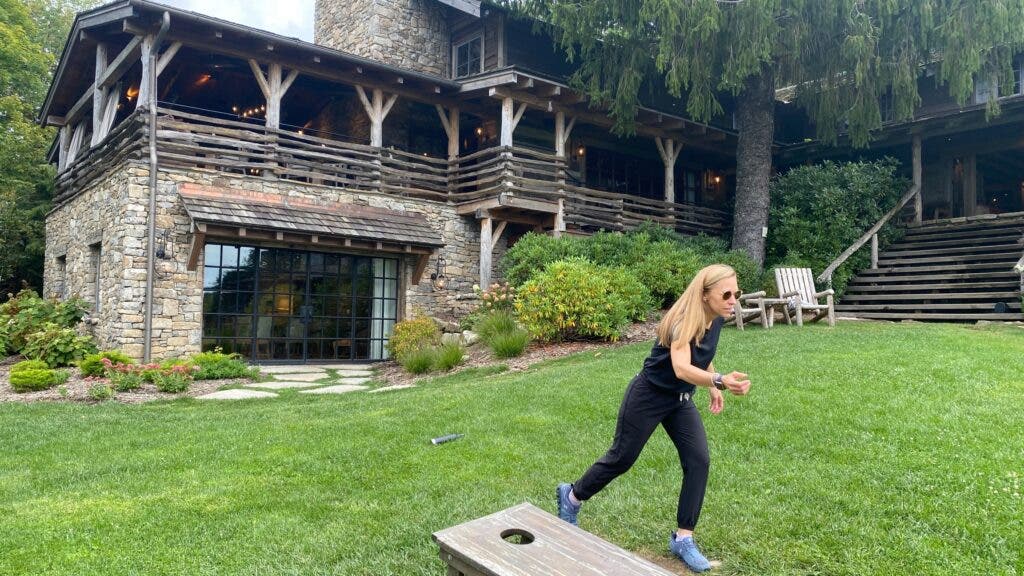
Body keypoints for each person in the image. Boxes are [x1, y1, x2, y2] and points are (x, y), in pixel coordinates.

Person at [556, 264, 752, 573]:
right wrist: (718, 380)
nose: (733, 300)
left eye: (736, 293)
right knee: (622, 457)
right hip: (649, 395)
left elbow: (701, 353)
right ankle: (572, 495)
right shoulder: (683, 320)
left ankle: (683, 538)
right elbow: (681, 368)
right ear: (704, 295)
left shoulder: (715, 318)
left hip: (679, 401)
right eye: (726, 294)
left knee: (698, 460)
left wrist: (713, 383)